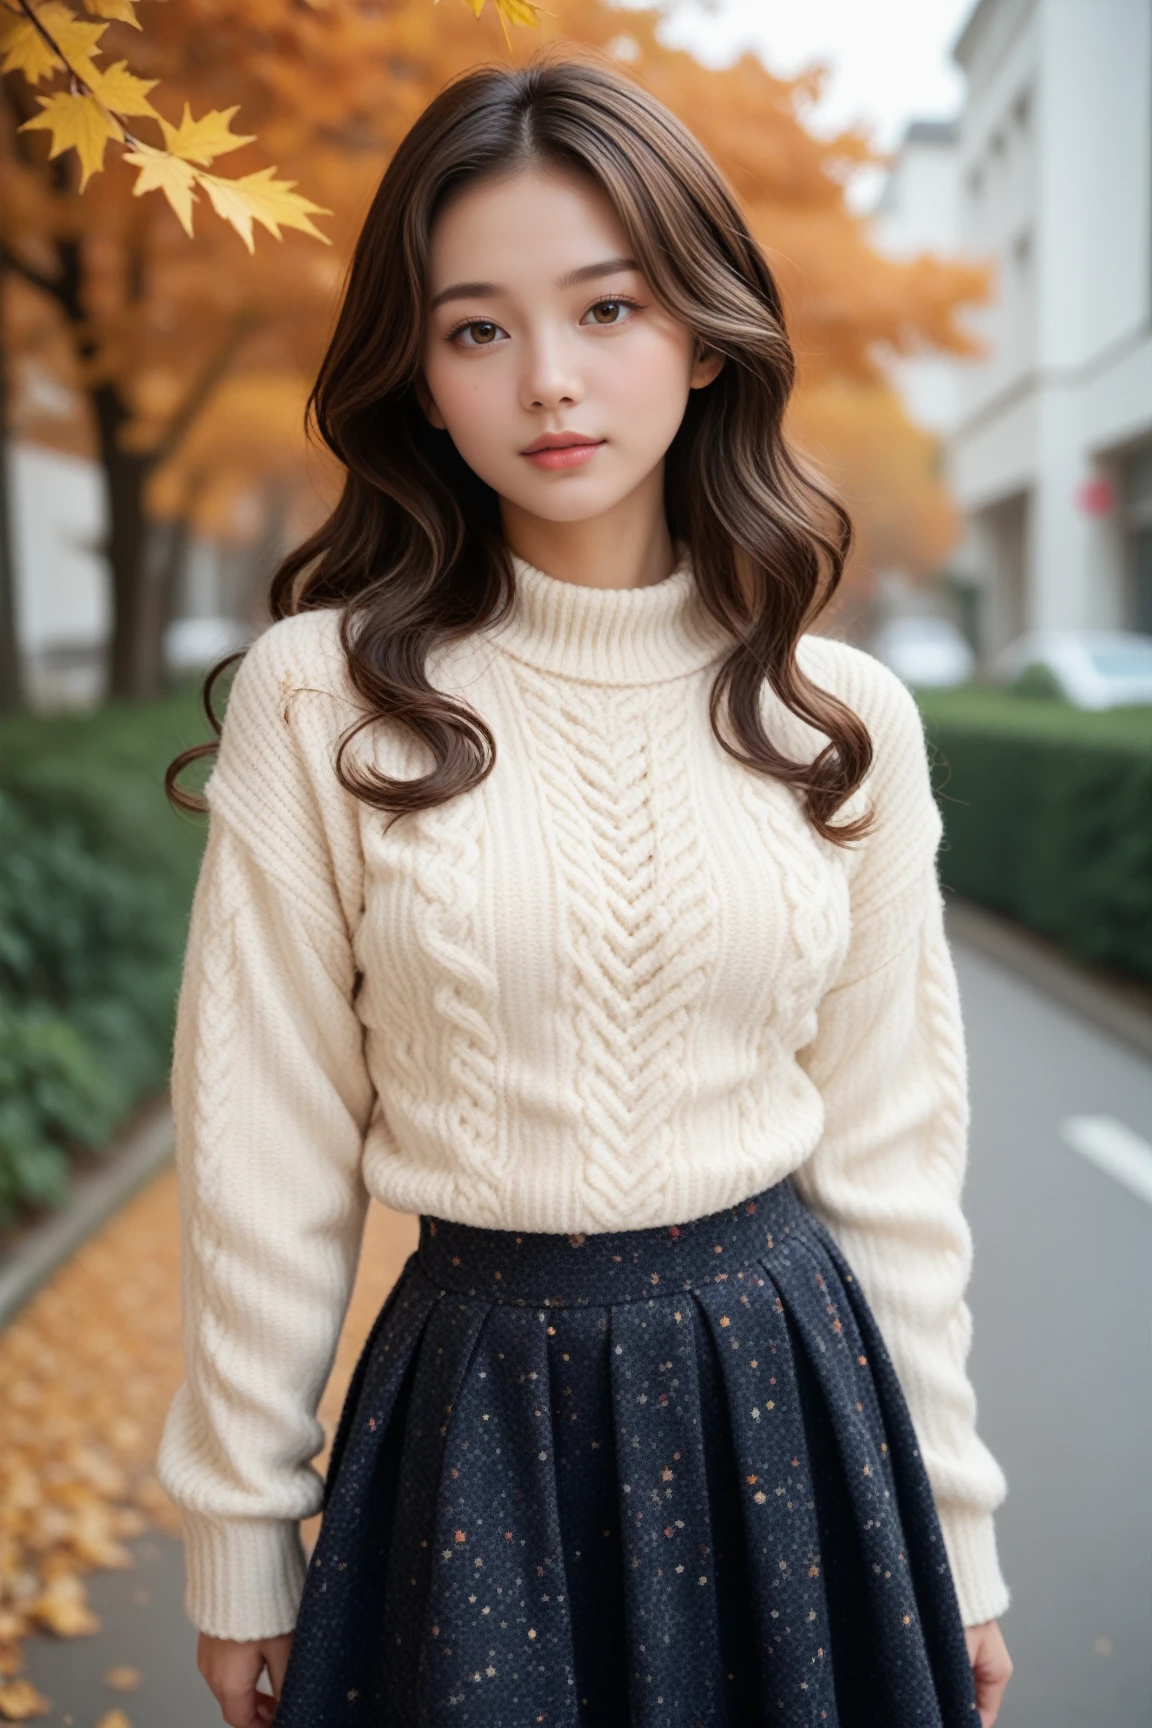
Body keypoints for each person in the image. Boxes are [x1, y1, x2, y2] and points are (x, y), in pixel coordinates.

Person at [158, 52, 1013, 1728]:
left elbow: (895, 1159)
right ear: (418, 372)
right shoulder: (321, 694)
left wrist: (959, 1534)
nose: (548, 378)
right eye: (477, 327)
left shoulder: (838, 722)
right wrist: (241, 1528)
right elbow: (261, 1145)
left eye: (607, 308)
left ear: (702, 335)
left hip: (795, 1405)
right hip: (472, 1408)